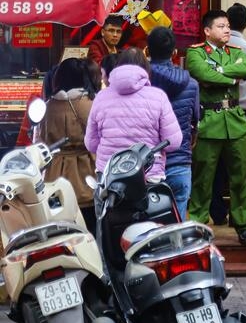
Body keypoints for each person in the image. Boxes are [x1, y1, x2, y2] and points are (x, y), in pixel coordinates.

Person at [185, 10, 246, 244]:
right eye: (221, 26)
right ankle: (197, 225)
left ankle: (243, 224)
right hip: (209, 122)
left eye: (227, 26)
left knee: (240, 178)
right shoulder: (195, 53)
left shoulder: (236, 52)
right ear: (207, 31)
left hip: (236, 122)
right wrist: (231, 77)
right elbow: (200, 73)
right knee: (203, 178)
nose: (226, 30)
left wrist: (219, 73)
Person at [85, 50, 182, 182]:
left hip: (109, 177)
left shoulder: (101, 97)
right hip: (148, 174)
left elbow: (91, 144)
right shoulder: (158, 96)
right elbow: (173, 142)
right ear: (146, 69)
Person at [209, 3, 246, 227]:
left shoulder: (211, 48)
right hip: (243, 113)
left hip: (215, 112)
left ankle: (217, 211)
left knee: (216, 166)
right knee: (240, 167)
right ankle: (239, 215)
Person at [37, 57, 101, 233]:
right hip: (87, 173)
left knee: (59, 230)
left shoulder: (47, 107)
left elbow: (39, 143)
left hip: (53, 176)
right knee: (90, 228)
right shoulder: (92, 105)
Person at [146, 26, 200, 221]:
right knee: (177, 227)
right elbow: (195, 122)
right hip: (180, 161)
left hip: (148, 165)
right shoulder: (192, 84)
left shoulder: (142, 85)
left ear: (147, 50)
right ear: (175, 52)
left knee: (150, 228)